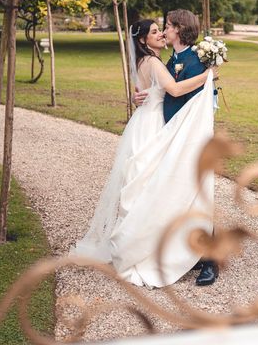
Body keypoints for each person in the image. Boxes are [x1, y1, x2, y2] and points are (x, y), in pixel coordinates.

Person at [73, 17, 217, 288]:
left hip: (148, 125)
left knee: (149, 187)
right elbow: (173, 89)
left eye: (163, 29)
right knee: (154, 187)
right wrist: (208, 76)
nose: (161, 33)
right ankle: (149, 247)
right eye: (154, 32)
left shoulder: (149, 62)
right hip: (153, 128)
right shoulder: (152, 62)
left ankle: (157, 245)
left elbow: (148, 91)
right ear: (143, 40)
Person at [133, 10, 220, 286]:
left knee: (197, 191)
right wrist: (142, 97)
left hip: (190, 137)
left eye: (168, 26)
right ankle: (187, 250)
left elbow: (199, 99)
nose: (165, 31)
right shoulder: (173, 60)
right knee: (178, 193)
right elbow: (164, 88)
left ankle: (210, 260)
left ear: (180, 29)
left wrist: (208, 78)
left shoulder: (196, 59)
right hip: (169, 134)